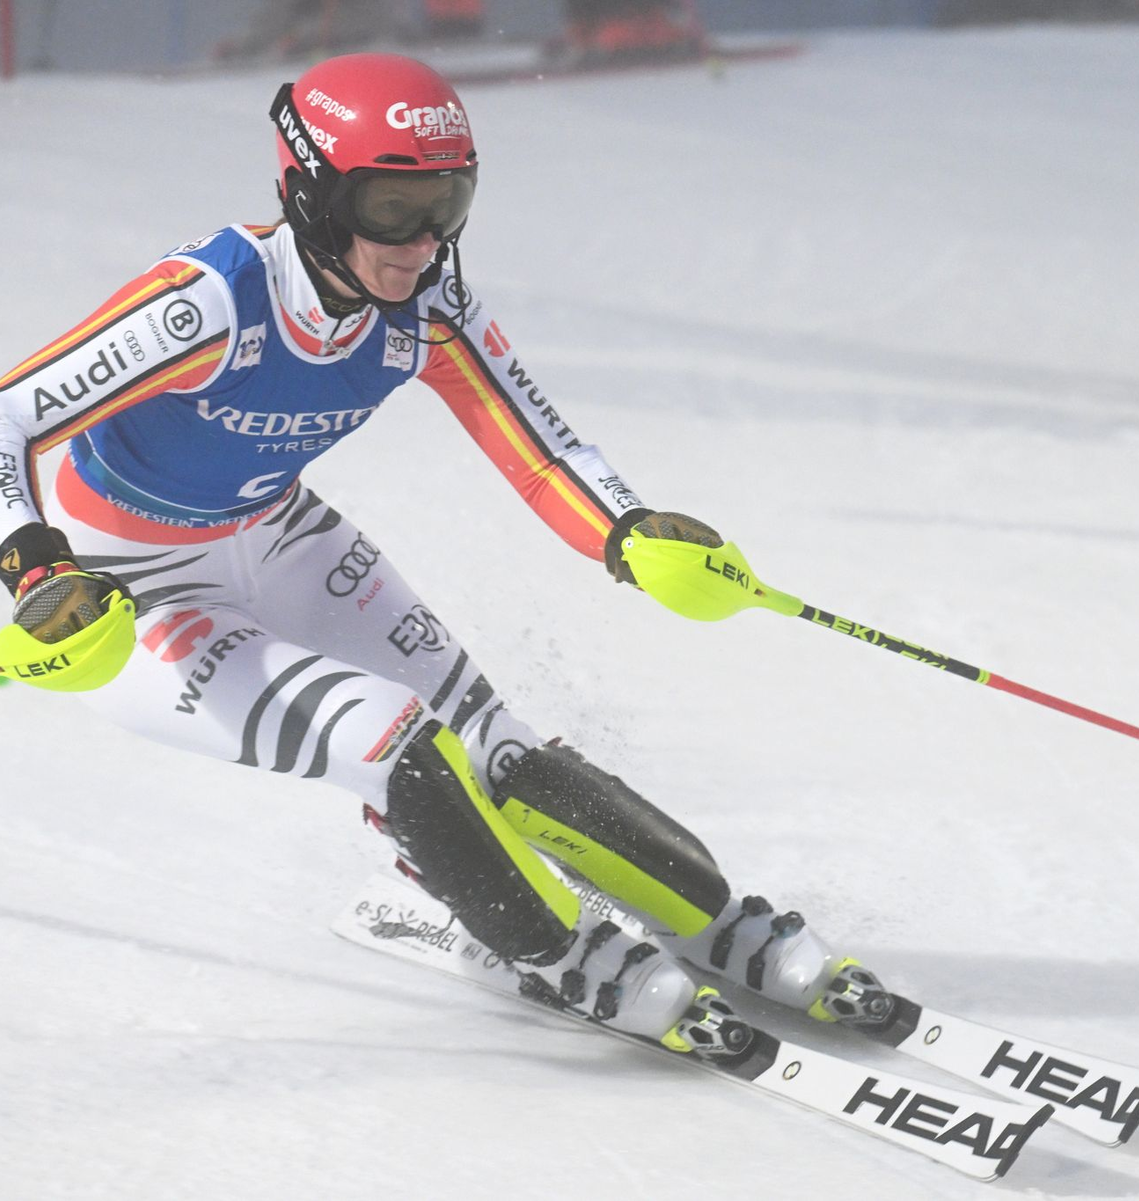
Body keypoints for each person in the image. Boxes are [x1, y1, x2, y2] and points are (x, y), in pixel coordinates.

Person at [0, 53, 890, 1051]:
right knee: (401, 747)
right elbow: (9, 420)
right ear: (308, 191)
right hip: (128, 593)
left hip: (278, 535)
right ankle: (561, 953)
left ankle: (719, 920)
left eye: (446, 203)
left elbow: (546, 454)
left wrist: (628, 531)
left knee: (495, 746)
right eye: (389, 207)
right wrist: (30, 564)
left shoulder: (429, 308)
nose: (420, 242)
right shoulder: (207, 303)